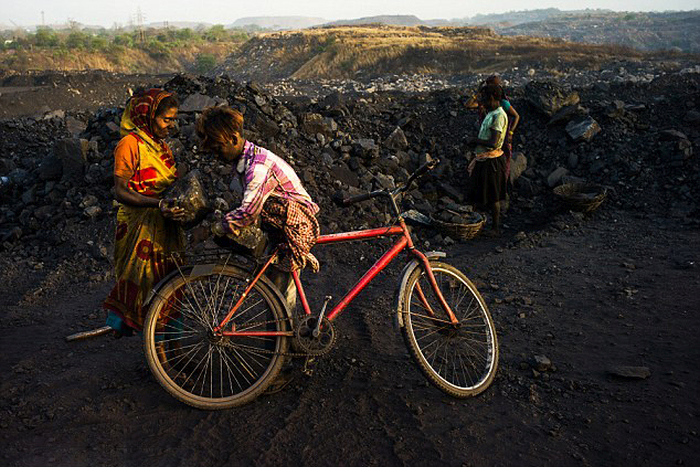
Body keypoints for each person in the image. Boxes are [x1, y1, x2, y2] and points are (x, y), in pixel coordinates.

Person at [195, 106, 320, 310]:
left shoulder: (258, 166)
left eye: (218, 148)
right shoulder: (247, 160)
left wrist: (214, 229)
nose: (216, 155)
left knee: (280, 289)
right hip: (278, 222)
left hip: (295, 223)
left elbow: (248, 211)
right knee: (277, 289)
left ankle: (285, 336)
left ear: (234, 138)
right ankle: (283, 332)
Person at [103, 88, 185, 337]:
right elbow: (120, 191)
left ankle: (169, 347)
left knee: (170, 283)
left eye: (173, 119)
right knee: (144, 282)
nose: (171, 125)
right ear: (147, 116)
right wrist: (156, 204)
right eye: (166, 119)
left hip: (165, 227)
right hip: (140, 227)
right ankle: (157, 347)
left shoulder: (161, 147)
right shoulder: (129, 145)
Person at [465, 83, 508, 235]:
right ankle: (476, 223)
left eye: (484, 97)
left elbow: (493, 142)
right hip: (484, 159)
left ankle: (495, 228)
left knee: (493, 196)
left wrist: (474, 140)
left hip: (492, 161)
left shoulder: (498, 116)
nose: (481, 100)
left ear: (491, 98)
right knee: (480, 191)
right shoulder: (492, 112)